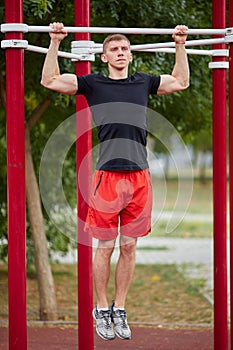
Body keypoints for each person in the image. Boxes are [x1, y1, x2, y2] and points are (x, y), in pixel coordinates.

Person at [41, 22, 189, 341]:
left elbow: (181, 81)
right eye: (114, 50)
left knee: (130, 246)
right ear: (104, 56)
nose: (120, 53)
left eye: (124, 49)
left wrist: (180, 44)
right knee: (105, 246)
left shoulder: (143, 82)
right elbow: (50, 80)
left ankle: (119, 308)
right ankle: (100, 309)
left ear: (131, 55)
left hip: (139, 174)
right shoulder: (93, 84)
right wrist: (54, 42)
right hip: (108, 174)